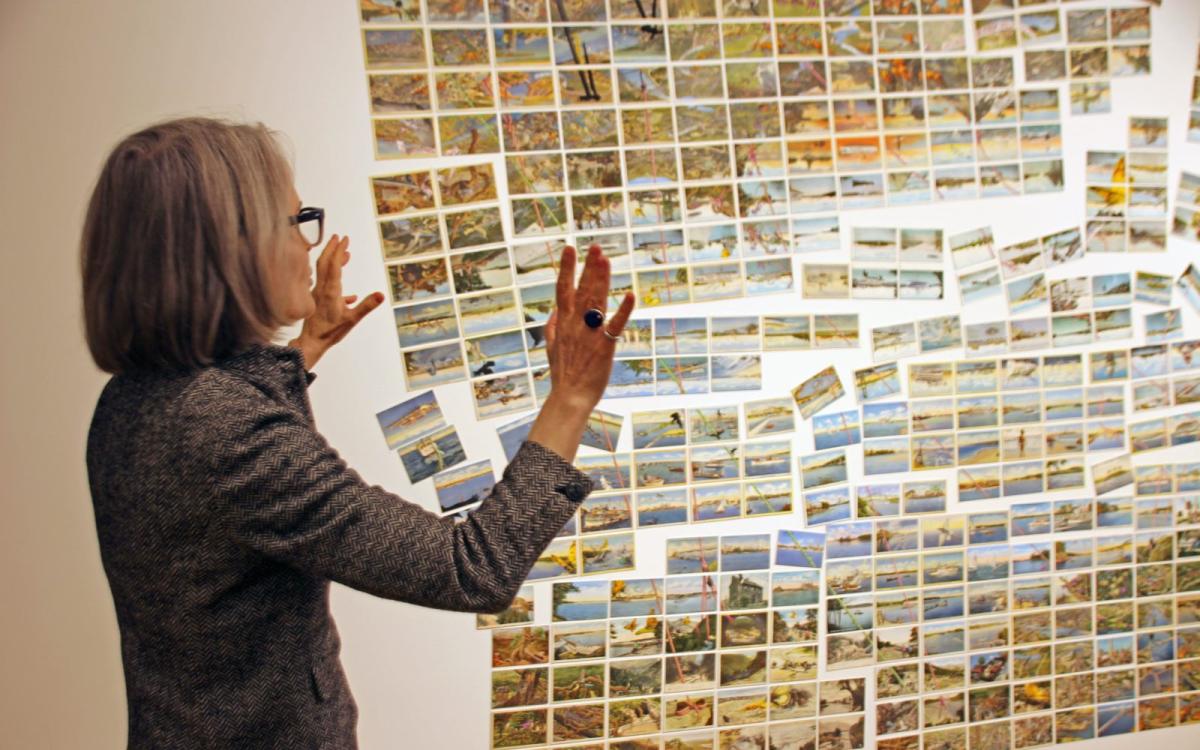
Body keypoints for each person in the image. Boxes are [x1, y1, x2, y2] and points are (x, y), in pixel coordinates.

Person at [80, 116, 634, 748]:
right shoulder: (227, 432)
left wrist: (304, 349)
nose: (307, 246)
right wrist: (571, 396)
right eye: (295, 221)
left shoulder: (132, 400)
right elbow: (471, 568)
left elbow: (233, 486)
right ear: (232, 246)